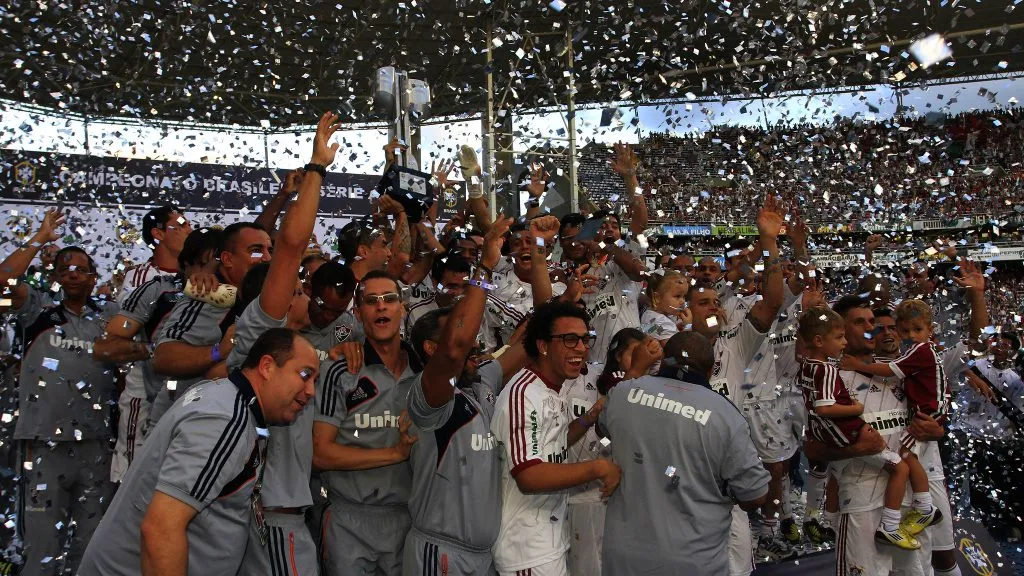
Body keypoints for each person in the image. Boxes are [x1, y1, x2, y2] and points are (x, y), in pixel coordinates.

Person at [77, 328, 319, 576]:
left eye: (315, 381)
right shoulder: (224, 419)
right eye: (304, 375)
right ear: (267, 366)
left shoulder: (228, 402)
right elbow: (162, 527)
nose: (311, 391)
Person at [225, 110, 341, 576]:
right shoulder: (256, 337)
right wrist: (316, 168)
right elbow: (291, 246)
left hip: (291, 516)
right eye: (295, 290)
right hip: (269, 521)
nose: (303, 295)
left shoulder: (304, 348)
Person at [401, 215, 527, 576]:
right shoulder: (430, 395)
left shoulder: (481, 379)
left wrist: (538, 264)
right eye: (461, 333)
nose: (473, 341)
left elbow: (530, 340)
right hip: (440, 553)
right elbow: (455, 348)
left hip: (484, 556)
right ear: (429, 348)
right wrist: (484, 266)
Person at [0, 211, 119, 576]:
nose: (71, 273)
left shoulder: (110, 316)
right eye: (64, 268)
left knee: (91, 542)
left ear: (93, 277)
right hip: (44, 442)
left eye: (80, 268)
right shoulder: (36, 309)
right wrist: (39, 239)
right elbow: (4, 280)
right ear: (53, 278)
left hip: (97, 444)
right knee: (42, 545)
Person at [599, 331, 770, 575]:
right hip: (692, 561)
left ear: (664, 359)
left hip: (624, 560)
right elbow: (754, 496)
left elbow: (603, 429)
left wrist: (635, 371)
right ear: (710, 371)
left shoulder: (622, 394)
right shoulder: (726, 416)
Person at [490, 300, 621, 576]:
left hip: (548, 537)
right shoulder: (523, 394)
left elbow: (553, 444)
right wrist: (597, 468)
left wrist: (588, 418)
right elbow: (529, 475)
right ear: (543, 345)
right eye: (570, 340)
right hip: (526, 549)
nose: (582, 348)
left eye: (586, 339)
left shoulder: (553, 386)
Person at [798, 306, 937, 551]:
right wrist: (856, 448)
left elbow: (935, 413)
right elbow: (813, 448)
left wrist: (939, 431)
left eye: (875, 322)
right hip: (860, 503)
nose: (872, 329)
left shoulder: (909, 373)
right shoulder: (829, 375)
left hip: (909, 506)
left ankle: (916, 513)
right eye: (860, 323)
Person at [312, 269, 421, 576]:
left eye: (389, 299)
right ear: (358, 313)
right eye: (371, 301)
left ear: (403, 308)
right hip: (349, 519)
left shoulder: (425, 372)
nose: (382, 306)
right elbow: (320, 454)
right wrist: (395, 454)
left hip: (408, 517)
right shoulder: (341, 370)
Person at [148, 220, 273, 425]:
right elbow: (163, 358)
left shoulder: (258, 298)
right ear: (227, 259)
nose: (267, 258)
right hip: (182, 432)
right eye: (256, 250)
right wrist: (218, 351)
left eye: (269, 250)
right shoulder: (207, 295)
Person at [558, 211, 646, 363]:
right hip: (592, 366)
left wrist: (605, 246)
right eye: (569, 238)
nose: (576, 242)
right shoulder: (563, 279)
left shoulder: (616, 267)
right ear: (561, 242)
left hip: (632, 362)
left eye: (581, 237)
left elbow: (639, 272)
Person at [640, 270, 691, 343]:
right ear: (657, 298)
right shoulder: (662, 322)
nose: (683, 301)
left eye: (684, 296)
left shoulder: (649, 314)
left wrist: (676, 329)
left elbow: (654, 330)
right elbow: (680, 349)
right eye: (677, 296)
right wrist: (688, 327)